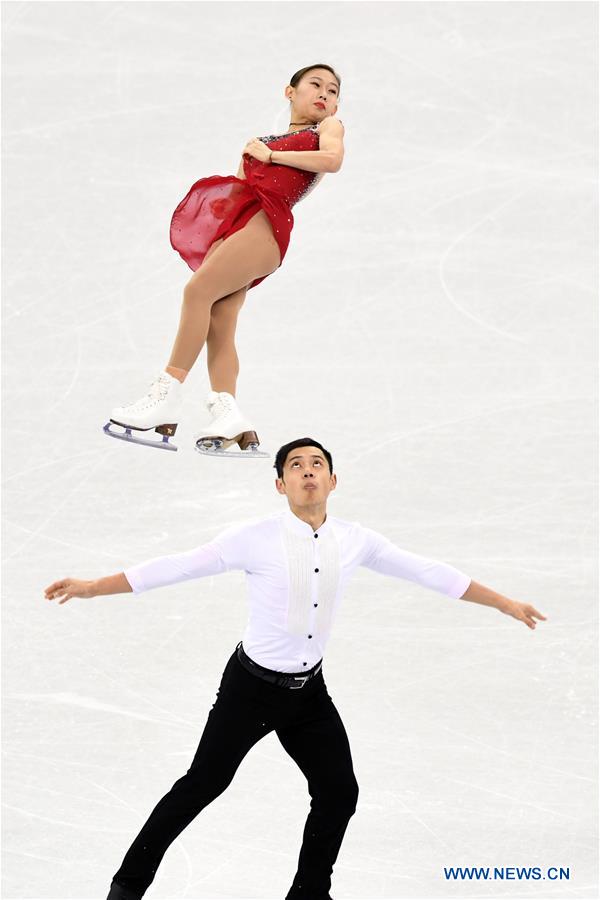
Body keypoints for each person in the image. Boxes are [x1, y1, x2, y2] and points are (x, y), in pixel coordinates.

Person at [43, 438, 547, 900]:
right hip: (249, 689)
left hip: (308, 695)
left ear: (333, 480)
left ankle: (308, 894)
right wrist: (92, 587)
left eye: (318, 465)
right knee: (202, 784)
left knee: (339, 793)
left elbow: (429, 572)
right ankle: (127, 886)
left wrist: (503, 602)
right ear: (280, 484)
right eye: (296, 466)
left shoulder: (356, 541)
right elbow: (176, 567)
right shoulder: (254, 538)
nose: (309, 472)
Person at [104, 64, 345, 454]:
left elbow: (332, 160)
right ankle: (227, 413)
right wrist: (220, 242)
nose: (325, 94)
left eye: (333, 91)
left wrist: (270, 156)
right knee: (219, 319)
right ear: (290, 91)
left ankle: (166, 394)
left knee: (196, 293)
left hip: (268, 228)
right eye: (315, 85)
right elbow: (238, 191)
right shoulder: (261, 141)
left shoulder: (326, 131)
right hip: (243, 229)